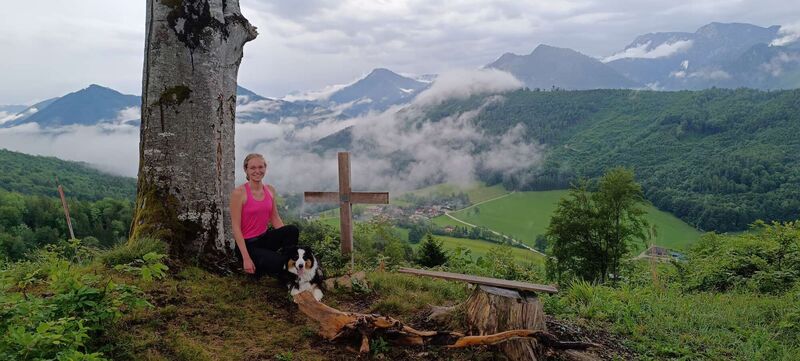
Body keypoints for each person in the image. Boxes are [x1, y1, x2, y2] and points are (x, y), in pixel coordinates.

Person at [230, 153, 299, 277]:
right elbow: (236, 228)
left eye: (260, 167)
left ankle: (288, 259)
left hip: (265, 238)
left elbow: (275, 218)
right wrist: (246, 258)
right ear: (246, 170)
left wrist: (285, 239)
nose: (257, 171)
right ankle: (277, 264)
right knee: (281, 263)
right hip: (248, 245)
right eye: (252, 168)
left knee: (292, 230)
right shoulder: (239, 193)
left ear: (265, 168)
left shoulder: (270, 190)